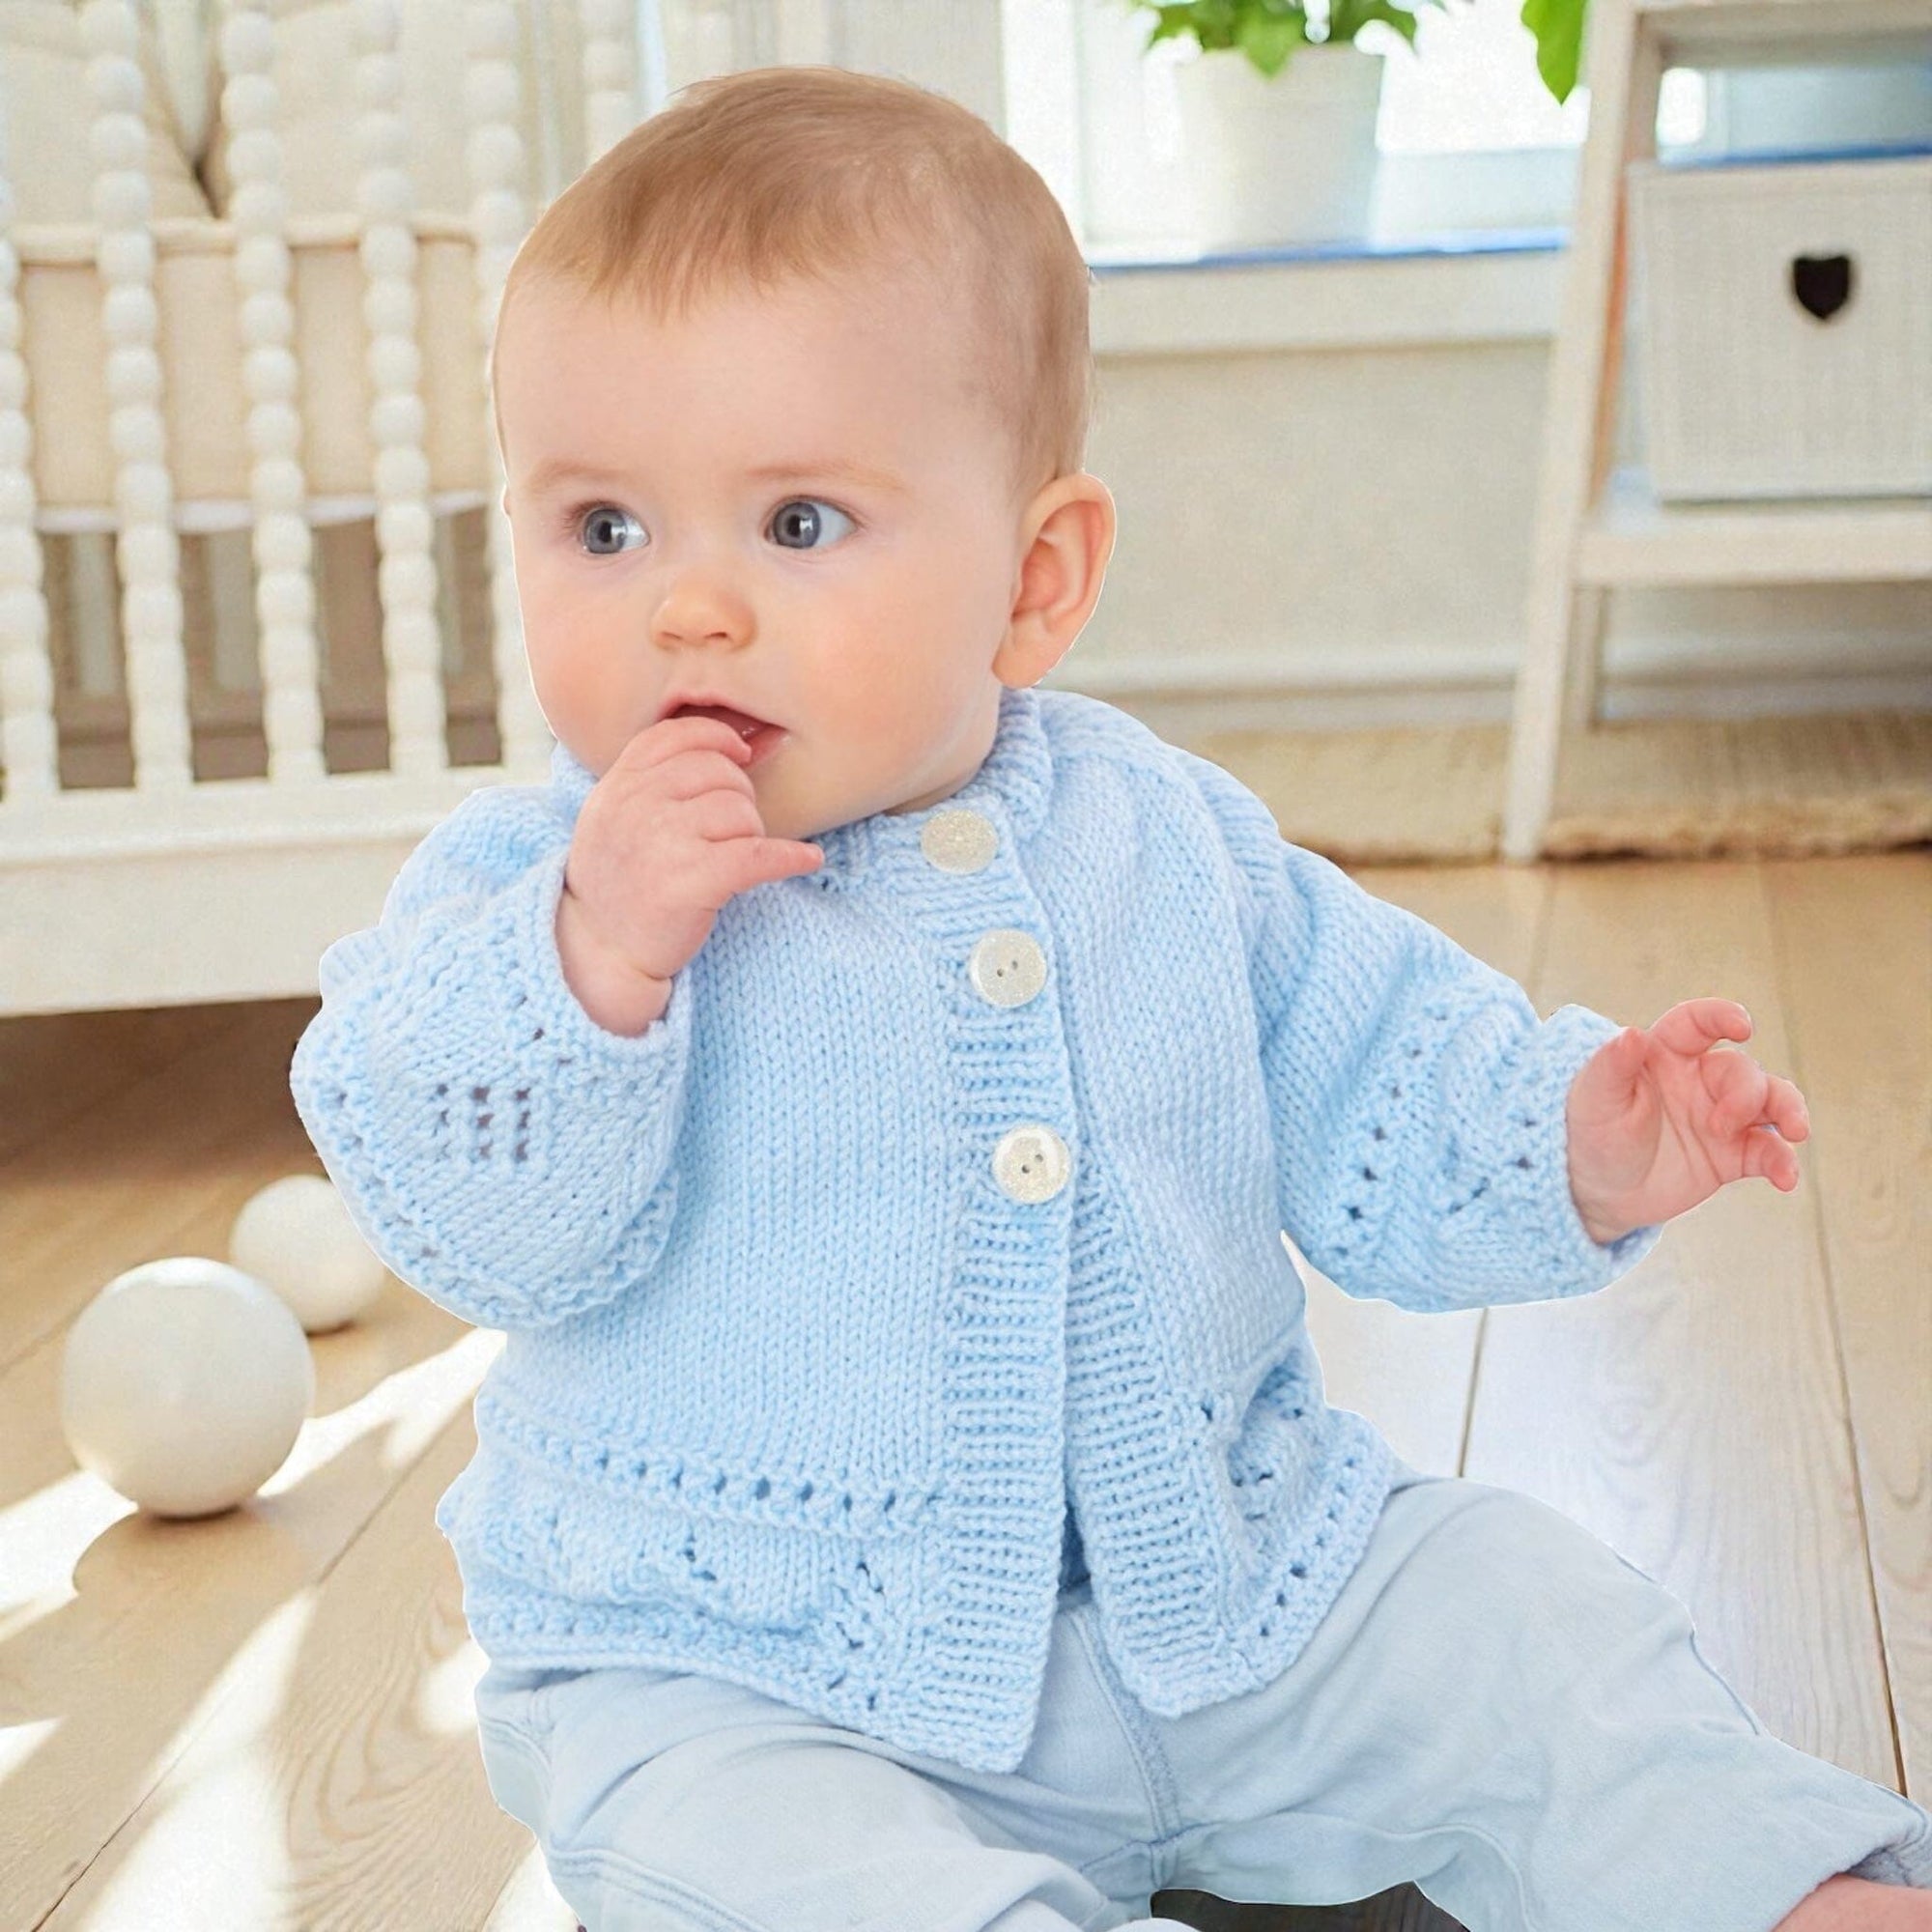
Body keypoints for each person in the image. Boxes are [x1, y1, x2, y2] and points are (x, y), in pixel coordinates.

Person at [288, 64, 1932, 1932]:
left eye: (798, 524)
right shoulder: (530, 890)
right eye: (604, 529)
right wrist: (595, 965)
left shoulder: (1158, 835)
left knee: (1527, 1618)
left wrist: (1575, 1139)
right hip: (750, 1677)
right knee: (750, 1858)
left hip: (1235, 1603)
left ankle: (1774, 1887)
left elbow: (1378, 1062)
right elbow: (476, 1211)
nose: (689, 608)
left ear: (1036, 578)